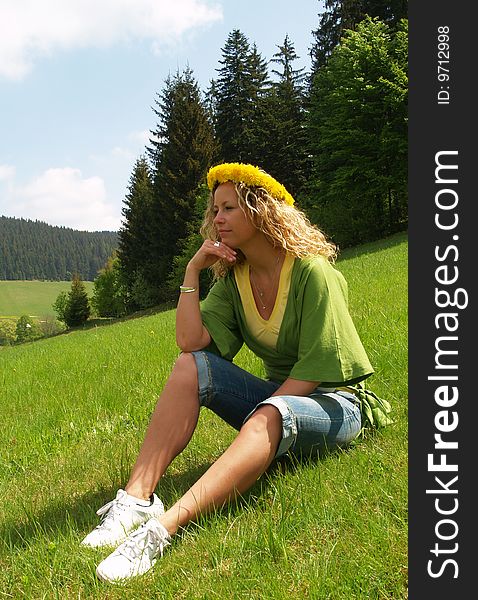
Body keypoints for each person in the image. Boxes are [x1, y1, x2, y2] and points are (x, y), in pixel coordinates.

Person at [83, 162, 379, 583]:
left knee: (271, 412)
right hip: (280, 402)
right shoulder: (235, 279)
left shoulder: (313, 272)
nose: (216, 219)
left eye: (228, 209)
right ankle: (137, 500)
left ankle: (161, 530)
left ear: (261, 212)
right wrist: (192, 273)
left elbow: (314, 373)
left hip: (337, 406)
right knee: (191, 367)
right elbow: (190, 343)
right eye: (215, 209)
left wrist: (264, 417)